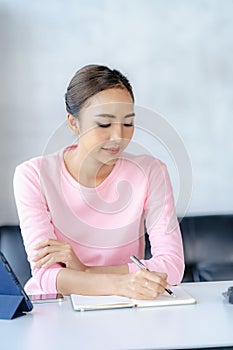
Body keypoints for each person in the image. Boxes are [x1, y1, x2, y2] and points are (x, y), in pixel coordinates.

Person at [13, 64, 184, 300]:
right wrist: (120, 283)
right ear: (74, 123)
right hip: (56, 307)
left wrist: (83, 271)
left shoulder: (150, 171)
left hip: (127, 305)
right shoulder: (32, 175)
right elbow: (46, 276)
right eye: (104, 124)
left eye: (128, 123)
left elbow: (172, 267)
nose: (118, 137)